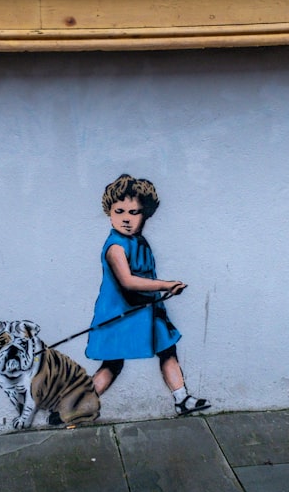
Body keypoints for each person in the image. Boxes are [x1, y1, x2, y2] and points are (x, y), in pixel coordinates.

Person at [86, 174, 210, 416]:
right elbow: (128, 281)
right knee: (112, 364)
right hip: (120, 313)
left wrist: (162, 291)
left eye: (134, 212)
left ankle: (181, 398)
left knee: (167, 349)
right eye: (119, 211)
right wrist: (165, 285)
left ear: (146, 215)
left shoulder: (140, 242)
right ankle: (78, 405)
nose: (126, 219)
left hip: (147, 310)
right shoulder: (115, 247)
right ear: (109, 212)